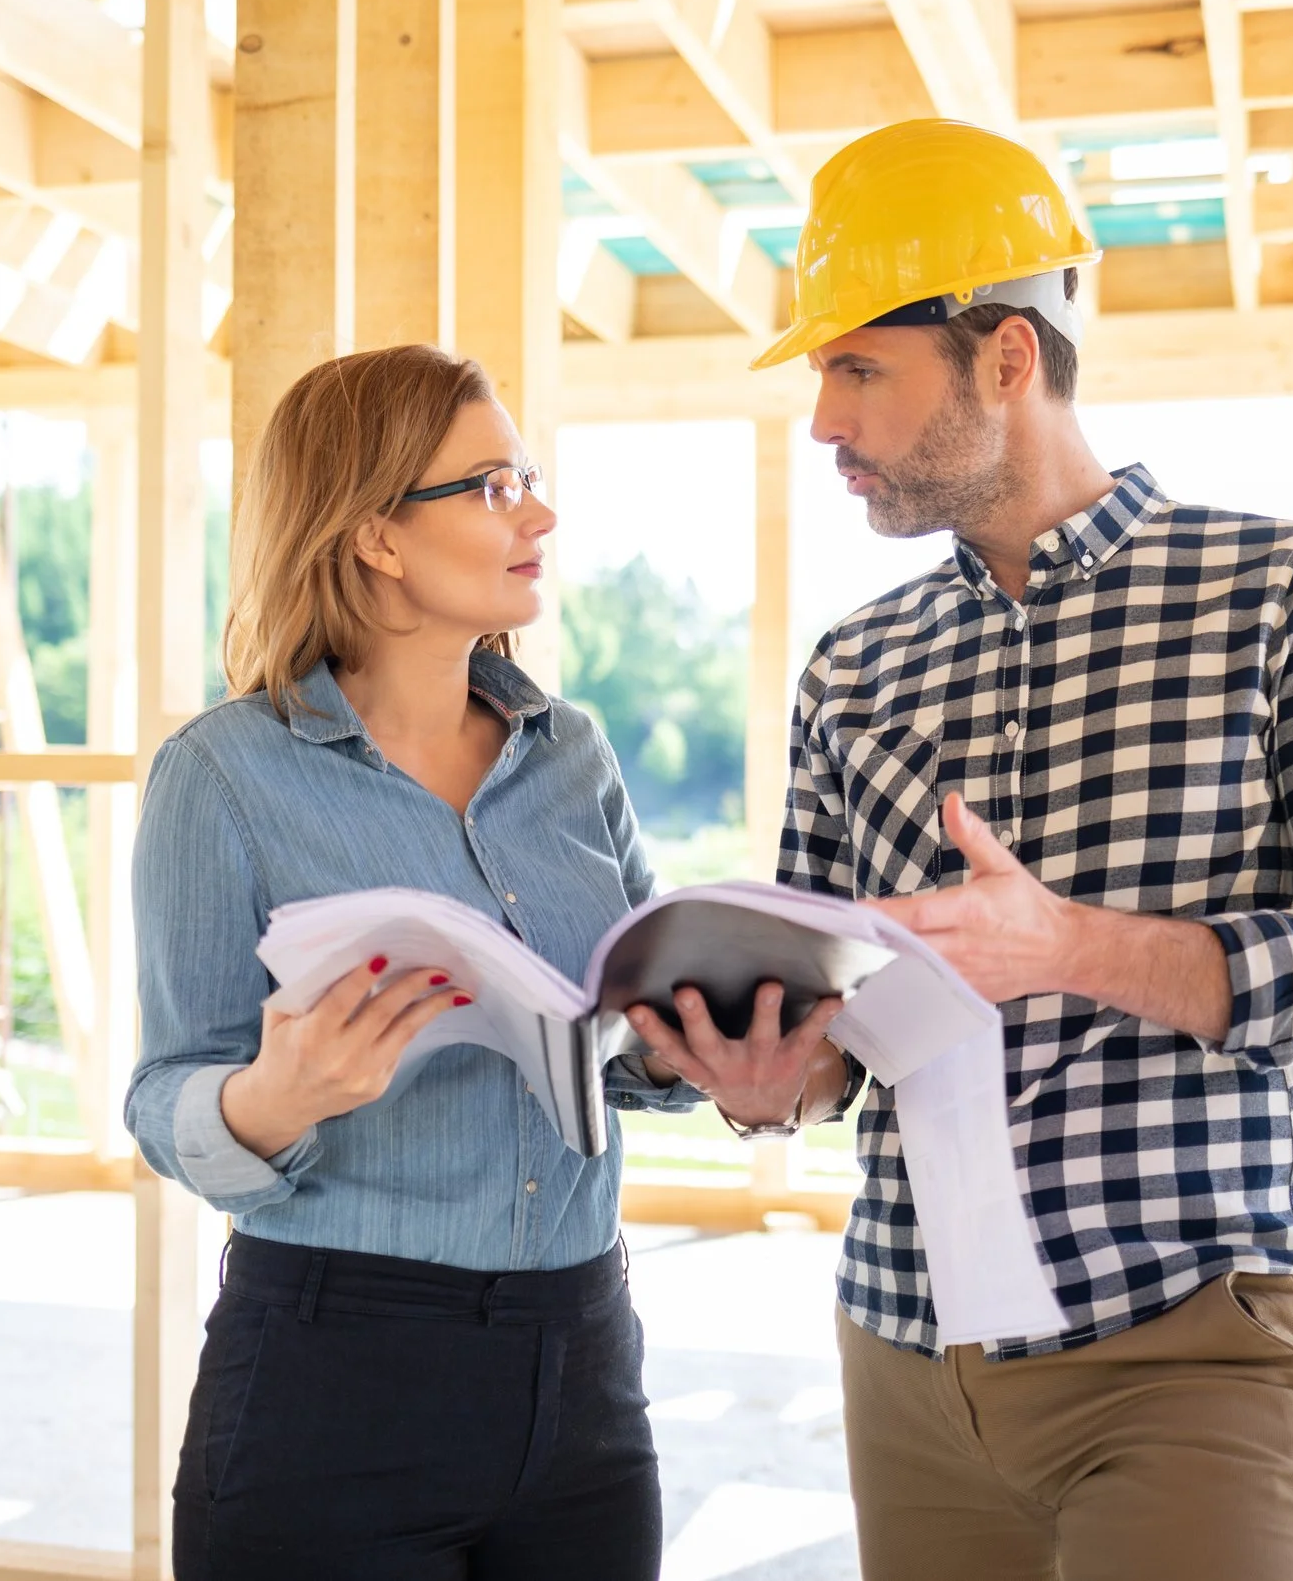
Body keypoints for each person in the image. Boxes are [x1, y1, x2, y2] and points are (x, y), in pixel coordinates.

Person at [746, 119, 1293, 1579]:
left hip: (1194, 1340)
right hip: (909, 1345)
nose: (823, 420)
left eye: (858, 366)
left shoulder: (1282, 587)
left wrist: (1067, 946)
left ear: (1006, 356)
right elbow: (827, 1022)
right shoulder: (853, 667)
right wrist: (771, 1076)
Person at [121, 343, 853, 1581]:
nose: (540, 512)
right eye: (492, 485)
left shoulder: (571, 751)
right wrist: (271, 1099)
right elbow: (163, 1092)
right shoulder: (224, 774)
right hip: (332, 1370)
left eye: (528, 477)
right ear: (375, 538)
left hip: (581, 1366)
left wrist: (706, 1059)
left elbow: (609, 1043)